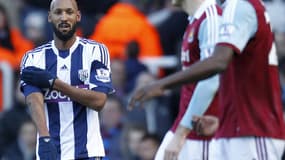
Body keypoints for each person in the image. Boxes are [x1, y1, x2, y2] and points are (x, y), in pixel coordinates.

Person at [129, 0, 285, 159]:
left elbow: (218, 64)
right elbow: (233, 74)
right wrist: (220, 121)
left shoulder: (232, 9)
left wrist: (162, 84)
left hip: (251, 130)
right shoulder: (225, 11)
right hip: (233, 129)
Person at [20, 0, 114, 159]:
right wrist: (44, 138)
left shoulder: (96, 51)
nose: (64, 17)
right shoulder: (33, 57)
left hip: (88, 153)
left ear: (78, 16)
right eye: (58, 12)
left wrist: (53, 83)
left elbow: (99, 101)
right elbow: (33, 100)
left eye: (69, 12)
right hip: (50, 151)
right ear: (49, 17)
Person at [128, 0, 222, 159]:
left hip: (201, 131)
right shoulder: (195, 19)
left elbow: (212, 79)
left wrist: (181, 133)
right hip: (185, 125)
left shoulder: (211, 17)